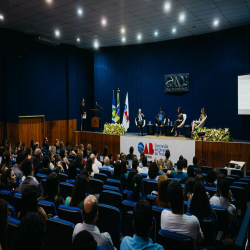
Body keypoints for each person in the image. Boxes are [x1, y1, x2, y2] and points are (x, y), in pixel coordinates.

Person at [161, 180, 203, 245]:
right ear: (183, 197)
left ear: (169, 202)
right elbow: (200, 240)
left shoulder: (163, 214)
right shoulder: (193, 221)